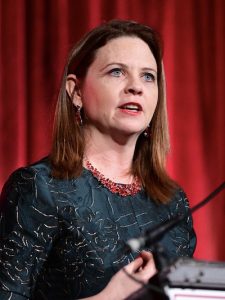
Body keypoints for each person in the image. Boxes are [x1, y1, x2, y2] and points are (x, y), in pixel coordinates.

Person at [0, 19, 196, 300]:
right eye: (117, 72)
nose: (135, 87)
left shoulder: (173, 202)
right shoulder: (38, 187)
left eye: (148, 76)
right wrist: (110, 296)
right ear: (76, 91)